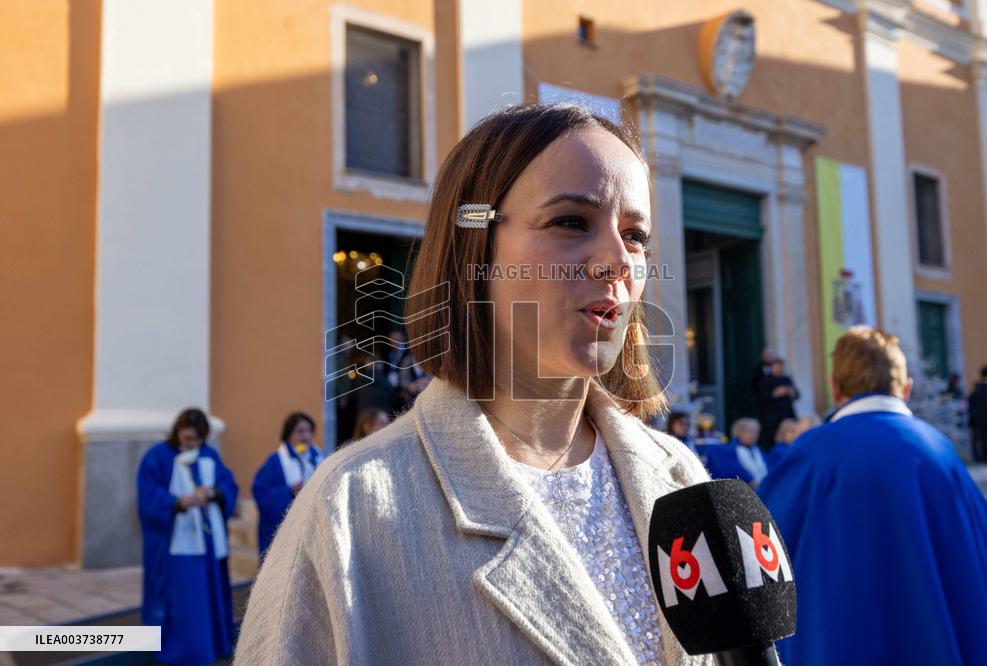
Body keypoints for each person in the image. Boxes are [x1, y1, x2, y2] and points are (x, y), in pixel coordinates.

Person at [235, 104, 712, 665]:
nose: (617, 260)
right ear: (476, 249)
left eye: (636, 235)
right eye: (570, 221)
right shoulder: (351, 511)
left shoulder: (681, 478)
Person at [758, 326, 987, 666]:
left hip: (837, 648)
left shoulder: (812, 453)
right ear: (907, 388)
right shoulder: (941, 452)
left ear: (835, 386)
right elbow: (984, 556)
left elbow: (763, 557)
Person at [137, 408, 239, 666]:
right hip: (175, 546)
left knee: (206, 596)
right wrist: (177, 503)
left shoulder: (208, 455)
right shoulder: (157, 457)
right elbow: (147, 495)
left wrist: (214, 492)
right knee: (182, 599)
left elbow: (229, 484)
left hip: (205, 545)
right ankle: (182, 650)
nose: (191, 443)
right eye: (186, 437)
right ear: (177, 432)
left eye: (195, 439)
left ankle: (213, 643)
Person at [251, 412, 325, 558]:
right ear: (288, 435)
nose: (306, 436)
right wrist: (289, 491)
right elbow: (261, 492)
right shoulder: (275, 462)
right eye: (300, 431)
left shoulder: (318, 456)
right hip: (286, 530)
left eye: (309, 431)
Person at [758, 357, 799, 451]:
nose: (780, 369)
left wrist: (791, 392)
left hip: (787, 413)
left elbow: (797, 395)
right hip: (773, 416)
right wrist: (776, 393)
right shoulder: (766, 380)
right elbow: (762, 397)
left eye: (781, 367)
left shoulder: (786, 379)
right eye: (777, 367)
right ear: (772, 367)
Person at [750, 349, 775, 417]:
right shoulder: (758, 369)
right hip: (763, 400)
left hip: (776, 403)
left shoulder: (776, 368)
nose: (769, 358)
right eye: (767, 356)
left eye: (771, 356)